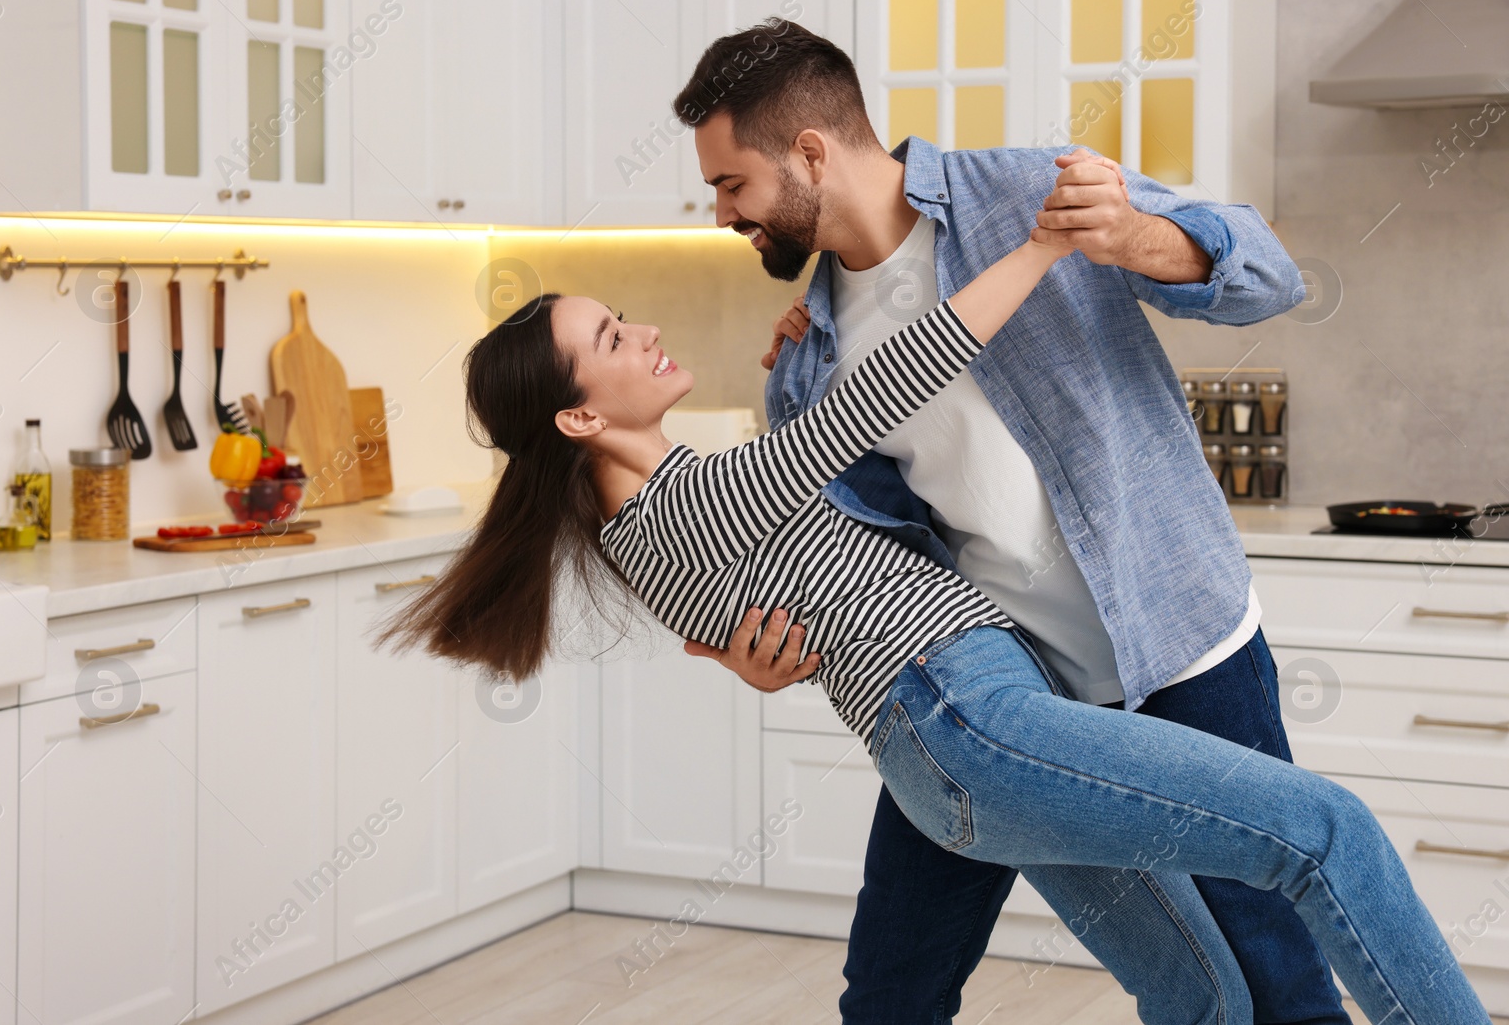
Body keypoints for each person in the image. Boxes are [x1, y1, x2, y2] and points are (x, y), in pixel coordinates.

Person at [376, 246, 1490, 1025]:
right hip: (971, 723)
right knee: (1322, 829)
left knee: (1203, 995)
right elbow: (880, 400)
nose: (647, 329)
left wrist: (798, 353)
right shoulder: (685, 506)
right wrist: (1038, 244)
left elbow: (826, 529)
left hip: (976, 732)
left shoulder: (665, 509)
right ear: (578, 415)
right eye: (614, 335)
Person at [670, 19, 1353, 1024]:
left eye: (732, 185)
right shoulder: (808, 362)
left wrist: (1136, 237)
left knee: (1271, 969)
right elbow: (843, 570)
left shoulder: (1028, 190)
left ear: (809, 153)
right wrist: (766, 647)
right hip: (994, 691)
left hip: (1180, 648)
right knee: (893, 983)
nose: (723, 213)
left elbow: (1268, 272)